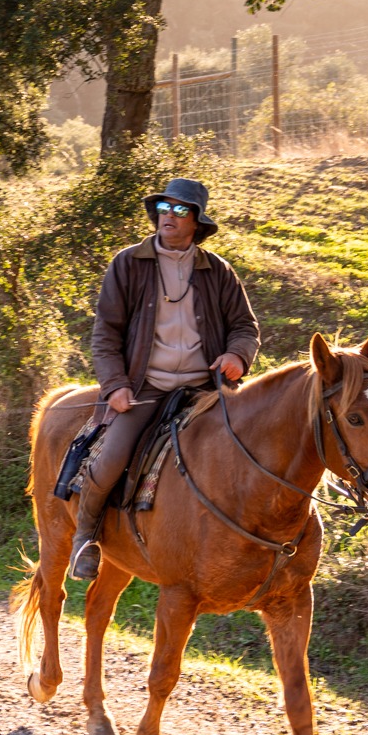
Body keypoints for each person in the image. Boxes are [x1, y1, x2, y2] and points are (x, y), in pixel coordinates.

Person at [69, 177, 261, 582]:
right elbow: (106, 333)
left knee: (256, 450)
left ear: (196, 222)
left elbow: (245, 326)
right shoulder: (128, 263)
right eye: (163, 209)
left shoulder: (218, 271)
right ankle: (85, 538)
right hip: (146, 388)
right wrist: (115, 385)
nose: (168, 216)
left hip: (206, 392)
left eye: (179, 210)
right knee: (111, 459)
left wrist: (237, 356)